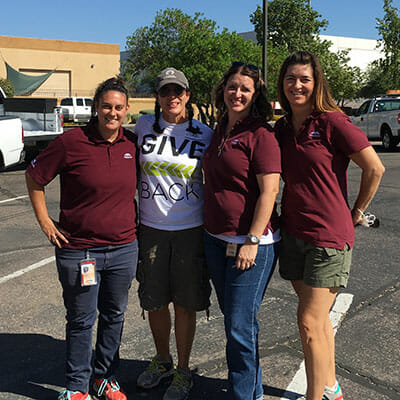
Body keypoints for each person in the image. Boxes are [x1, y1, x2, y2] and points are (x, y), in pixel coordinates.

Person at [275, 51, 385, 400]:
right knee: (318, 322)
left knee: (308, 322)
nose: (297, 85)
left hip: (328, 238)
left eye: (304, 78)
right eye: (291, 78)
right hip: (293, 233)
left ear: (316, 82)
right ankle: (332, 386)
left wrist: (357, 210)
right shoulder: (281, 127)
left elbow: (375, 168)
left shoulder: (333, 122)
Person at [25, 77, 138, 400]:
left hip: (123, 248)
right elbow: (34, 177)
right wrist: (46, 222)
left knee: (114, 316)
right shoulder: (71, 142)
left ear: (126, 110)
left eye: (118, 107)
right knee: (81, 319)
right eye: (106, 106)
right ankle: (76, 387)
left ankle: (105, 378)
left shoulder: (131, 144)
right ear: (95, 108)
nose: (112, 113)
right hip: (80, 251)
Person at [202, 62, 282, 400]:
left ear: (255, 94)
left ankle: (243, 395)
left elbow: (270, 192)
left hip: (253, 244)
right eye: (232, 86)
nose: (237, 93)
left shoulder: (261, 134)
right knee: (238, 324)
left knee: (238, 326)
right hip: (215, 240)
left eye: (245, 89)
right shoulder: (220, 128)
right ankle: (254, 389)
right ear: (223, 89)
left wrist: (251, 239)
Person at [134, 67, 213, 400]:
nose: (172, 98)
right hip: (151, 228)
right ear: (158, 97)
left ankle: (183, 370)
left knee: (185, 303)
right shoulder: (141, 128)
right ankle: (162, 359)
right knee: (154, 301)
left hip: (189, 230)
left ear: (188, 96)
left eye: (178, 91)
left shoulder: (204, 134)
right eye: (166, 92)